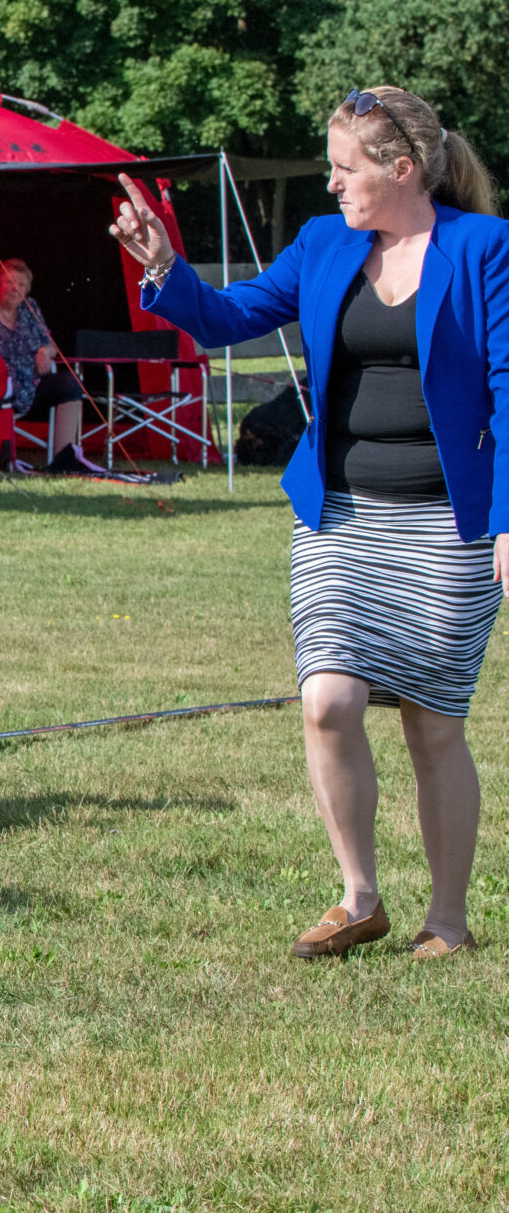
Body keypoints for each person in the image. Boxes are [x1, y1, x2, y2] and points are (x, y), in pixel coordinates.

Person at [115, 84, 509, 960]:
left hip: (449, 525)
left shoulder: (486, 247)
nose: (331, 184)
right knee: (327, 700)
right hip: (339, 519)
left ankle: (448, 920)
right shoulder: (324, 243)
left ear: (401, 169)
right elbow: (230, 317)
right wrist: (164, 267)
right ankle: (358, 897)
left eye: (343, 168)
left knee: (432, 725)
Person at [0, 257, 99, 472]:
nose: (15, 289)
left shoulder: (29, 308)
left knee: (70, 383)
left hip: (30, 386)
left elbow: (50, 343)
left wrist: (45, 351)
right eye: (10, 282)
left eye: (21, 284)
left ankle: (64, 457)